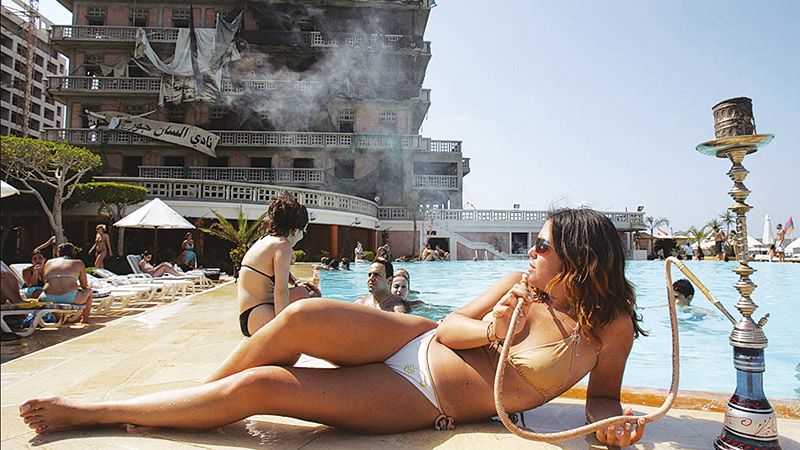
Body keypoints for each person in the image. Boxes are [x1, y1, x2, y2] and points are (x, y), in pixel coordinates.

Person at [18, 208, 647, 448]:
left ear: (580, 256)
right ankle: (193, 401)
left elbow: (602, 398)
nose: (530, 253)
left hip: (427, 396)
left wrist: (613, 426)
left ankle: (93, 411)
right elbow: (454, 326)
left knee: (263, 388)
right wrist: (490, 332)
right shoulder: (519, 286)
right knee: (301, 315)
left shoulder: (609, 325)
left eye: (541, 246)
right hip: (415, 340)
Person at [238, 194, 310, 337]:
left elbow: (275, 272)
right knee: (311, 304)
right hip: (259, 314)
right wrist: (283, 330)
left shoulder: (265, 239)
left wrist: (296, 282)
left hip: (251, 315)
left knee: (304, 292)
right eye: (305, 231)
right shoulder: (283, 245)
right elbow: (281, 291)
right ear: (295, 230)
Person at [40, 243, 93, 323]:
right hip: (70, 297)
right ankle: (84, 319)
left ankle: (58, 319)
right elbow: (84, 285)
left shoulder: (48, 262)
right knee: (88, 291)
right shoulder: (78, 263)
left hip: (47, 297)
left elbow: (45, 281)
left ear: (58, 252)